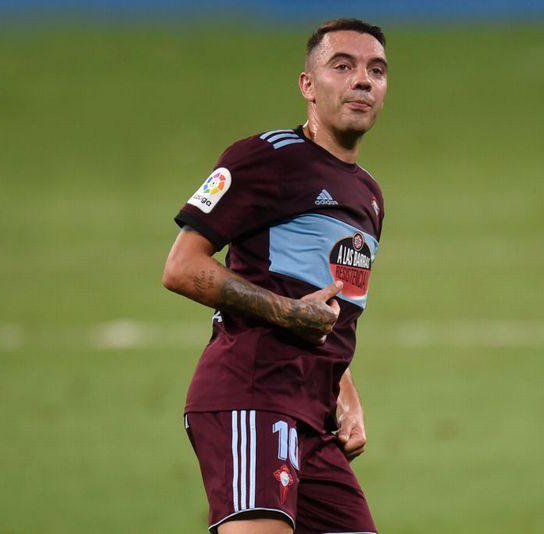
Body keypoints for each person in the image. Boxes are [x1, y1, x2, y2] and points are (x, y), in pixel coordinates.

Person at [162, 18, 388, 534]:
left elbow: (323, 307)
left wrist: (344, 389)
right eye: (343, 66)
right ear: (308, 85)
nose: (362, 80)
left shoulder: (369, 196)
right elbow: (182, 266)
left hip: (312, 417)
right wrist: (287, 313)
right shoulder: (266, 158)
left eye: (375, 70)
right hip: (252, 396)